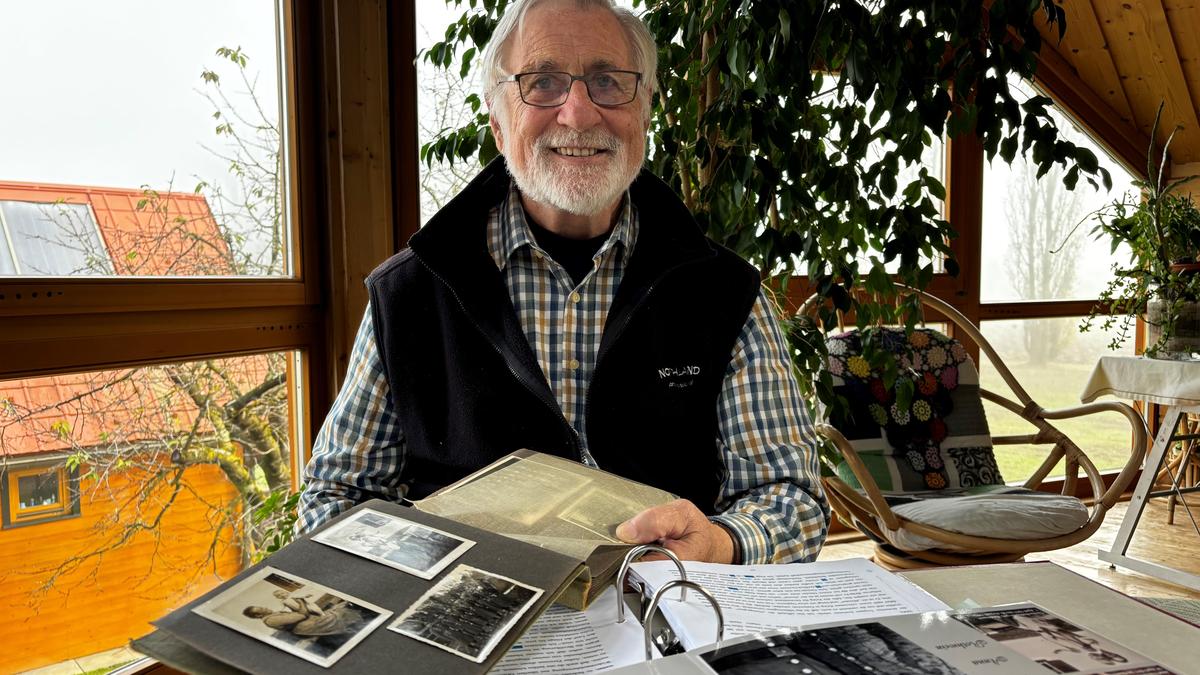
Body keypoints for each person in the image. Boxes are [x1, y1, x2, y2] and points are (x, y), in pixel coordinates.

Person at [297, 0, 829, 564]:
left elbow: (791, 499)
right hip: (474, 630)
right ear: (498, 123)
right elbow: (338, 498)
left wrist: (719, 544)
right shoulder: (409, 294)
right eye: (543, 81)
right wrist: (436, 564)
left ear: (644, 109)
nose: (578, 114)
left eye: (607, 81)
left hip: (671, 618)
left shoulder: (725, 293)